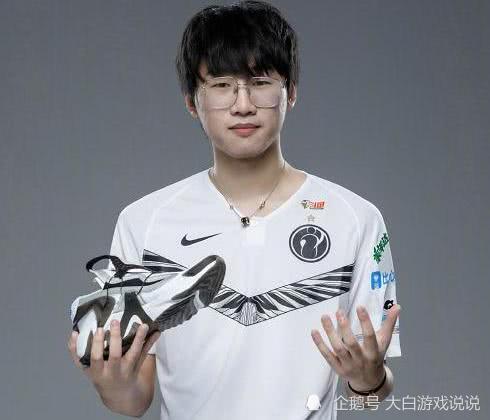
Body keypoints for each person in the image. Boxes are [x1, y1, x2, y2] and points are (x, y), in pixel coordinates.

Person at [67, 1, 402, 419]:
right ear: (192, 101)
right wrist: (112, 384)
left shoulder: (355, 218)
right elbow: (134, 402)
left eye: (260, 82)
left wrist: (369, 378)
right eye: (222, 85)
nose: (243, 104)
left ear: (291, 92)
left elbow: (369, 396)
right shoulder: (144, 222)